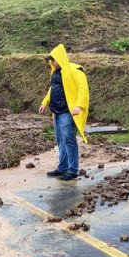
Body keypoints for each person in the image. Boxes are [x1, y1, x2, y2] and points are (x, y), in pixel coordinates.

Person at [38, 44, 90, 181]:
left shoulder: (75, 70)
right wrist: (45, 102)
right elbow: (52, 89)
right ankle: (62, 167)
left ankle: (72, 170)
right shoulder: (55, 73)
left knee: (69, 140)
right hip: (56, 112)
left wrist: (79, 106)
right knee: (61, 141)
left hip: (68, 112)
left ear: (59, 58)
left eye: (53, 60)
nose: (52, 63)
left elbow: (82, 89)